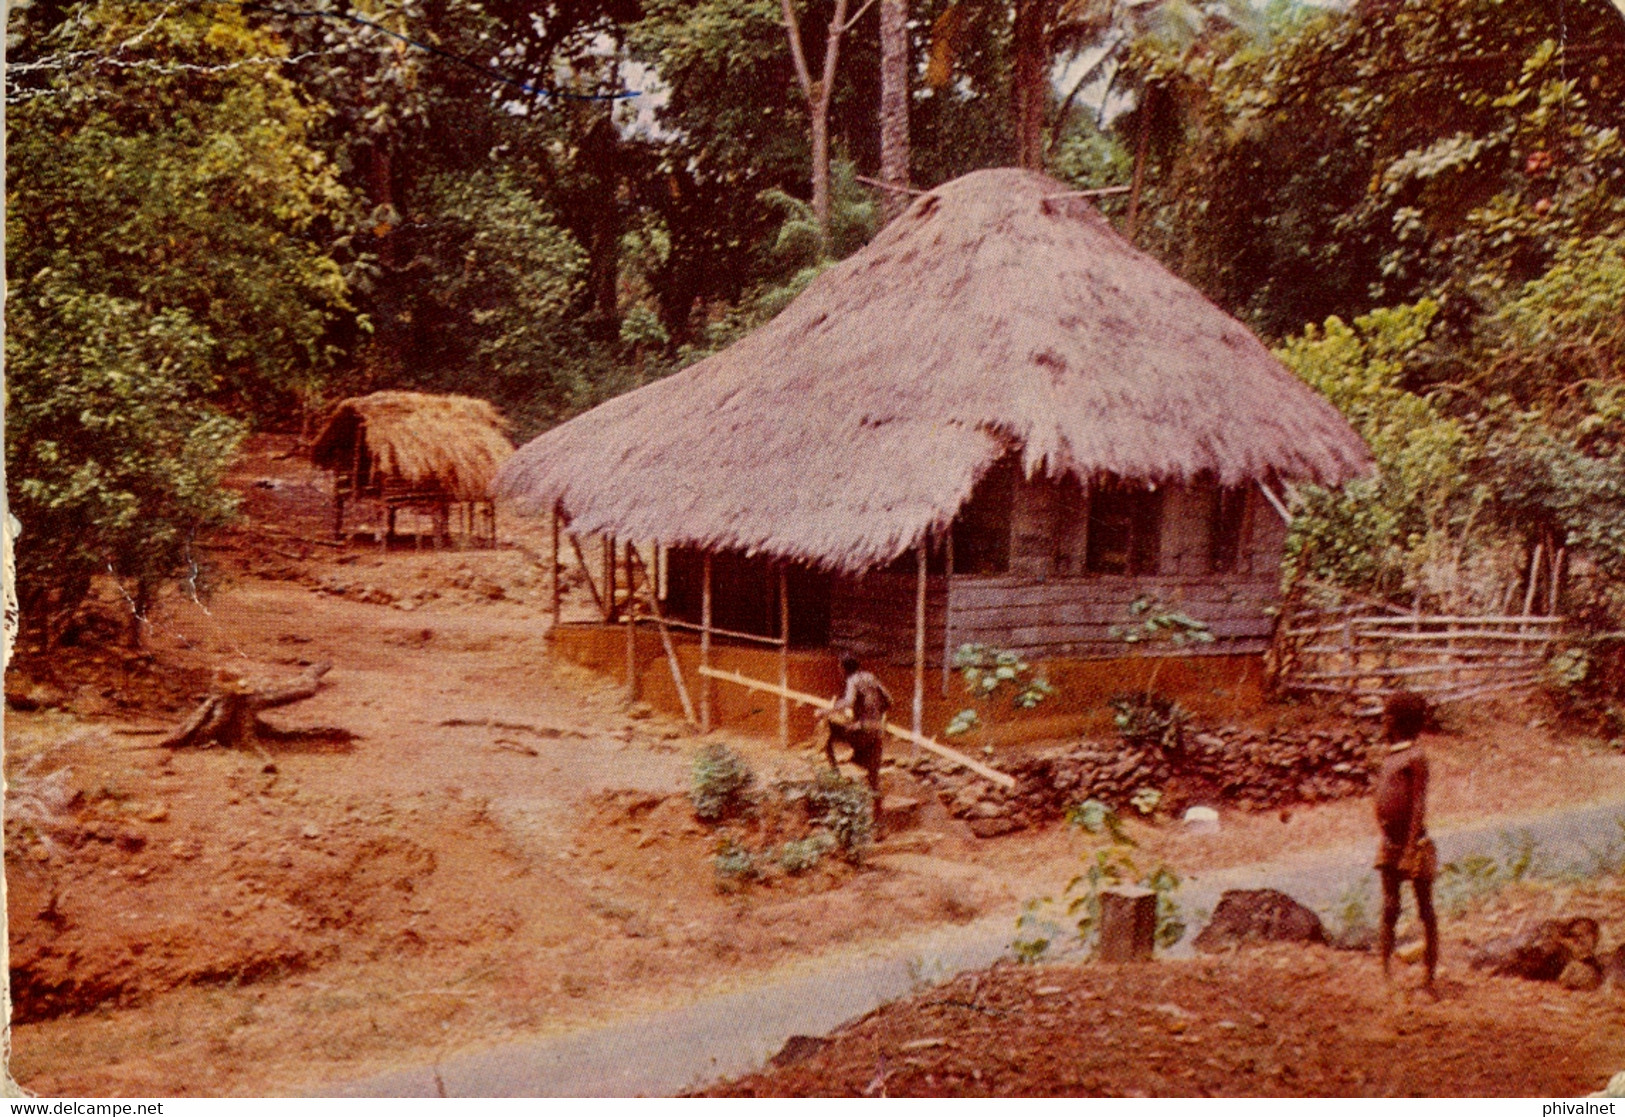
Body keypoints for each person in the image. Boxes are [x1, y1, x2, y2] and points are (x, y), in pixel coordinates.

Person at [1373, 690, 1439, 994]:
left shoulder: (1415, 758)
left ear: (1397, 722)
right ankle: (1385, 973)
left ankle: (1429, 976)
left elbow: (1417, 806)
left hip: (1413, 845)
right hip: (1390, 842)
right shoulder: (1391, 757)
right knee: (1389, 906)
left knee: (1424, 908)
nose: (1382, 722)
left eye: (1386, 717)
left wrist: (1411, 849)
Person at [817, 653, 892, 799]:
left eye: (840, 667)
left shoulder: (853, 680)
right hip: (876, 731)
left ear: (844, 669)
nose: (839, 671)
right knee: (873, 784)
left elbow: (849, 701)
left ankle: (835, 774)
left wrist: (825, 711)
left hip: (862, 731)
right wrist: (875, 718)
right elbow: (889, 700)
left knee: (826, 726)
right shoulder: (871, 677)